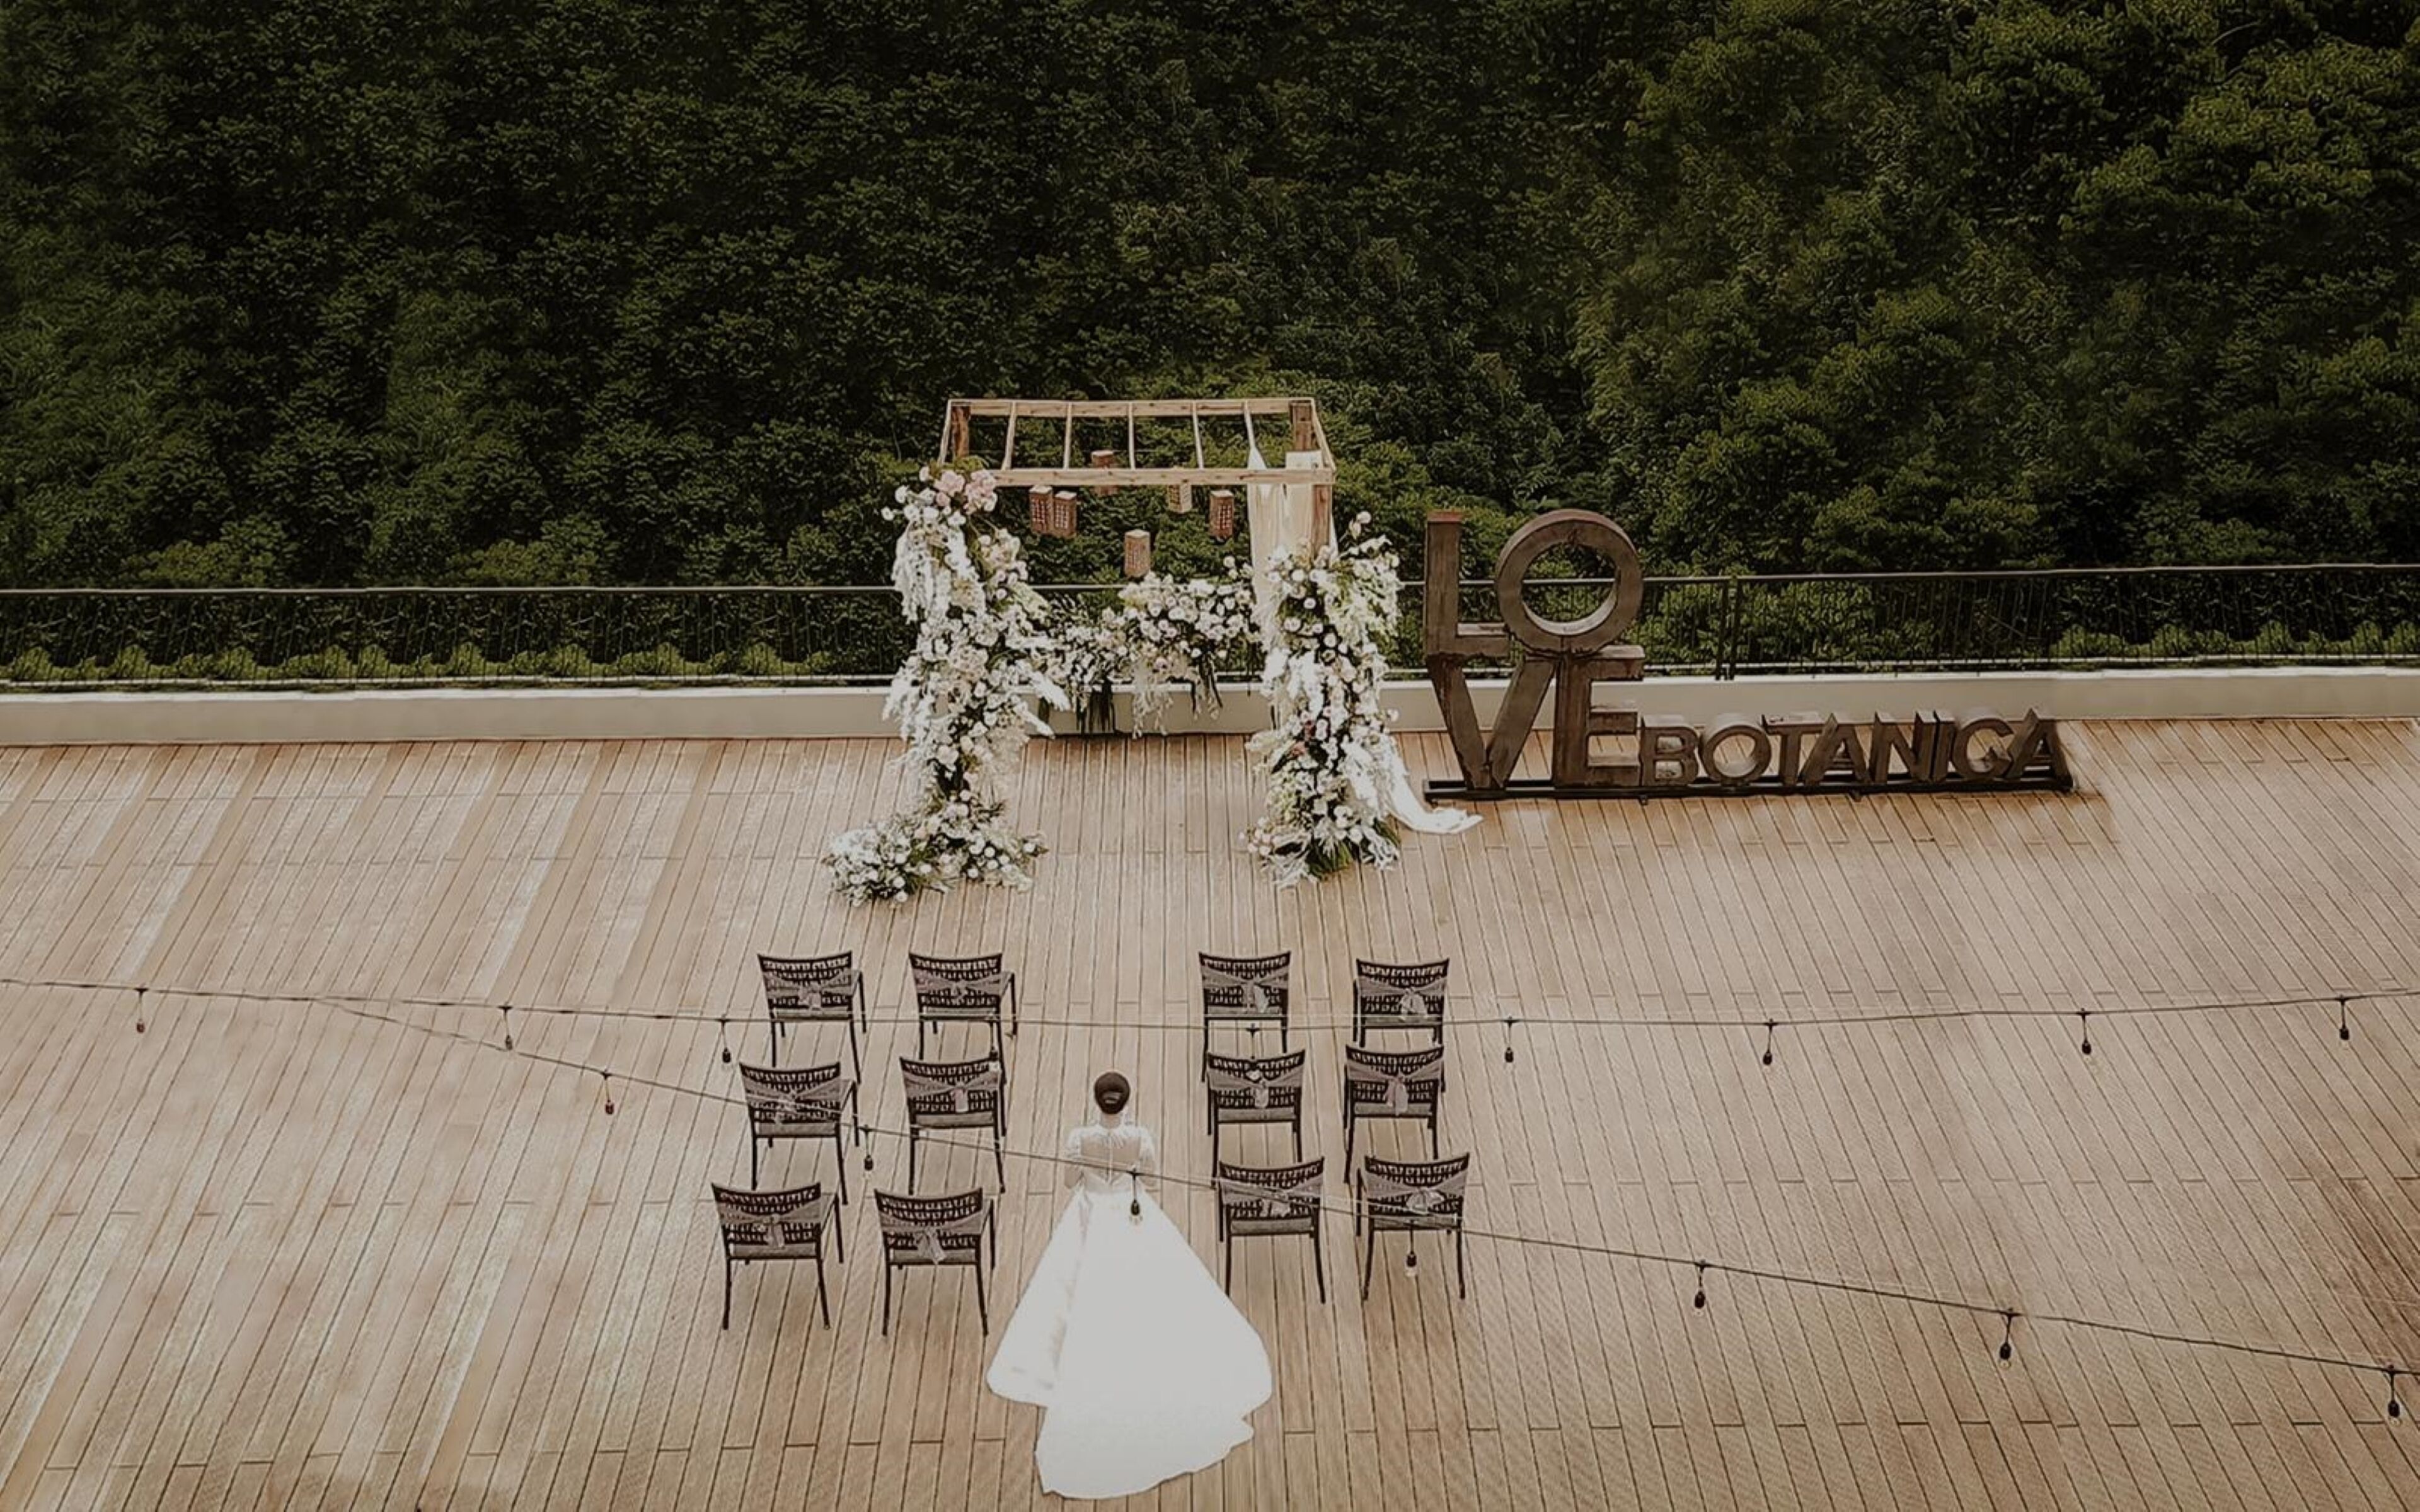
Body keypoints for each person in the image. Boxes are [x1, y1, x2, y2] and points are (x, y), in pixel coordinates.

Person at [987, 1071, 1272, 1498]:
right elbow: (1152, 1181)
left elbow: (1070, 1182)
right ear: (1125, 1102)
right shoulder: (1139, 1138)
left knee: (1072, 1292)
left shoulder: (1079, 1139)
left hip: (1090, 1214)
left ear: (1098, 1101)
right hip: (1129, 1212)